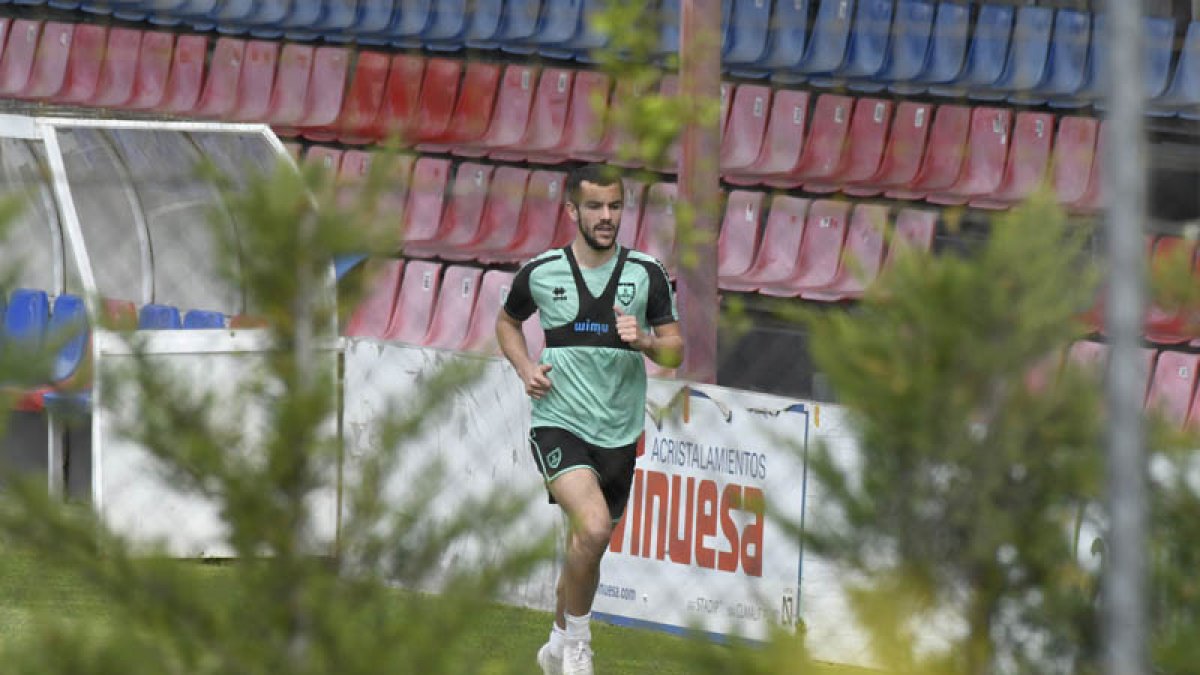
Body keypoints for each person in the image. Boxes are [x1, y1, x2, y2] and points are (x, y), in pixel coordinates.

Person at [495, 164, 684, 675]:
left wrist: (645, 340)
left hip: (620, 432)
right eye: (595, 207)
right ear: (572, 211)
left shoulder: (646, 274)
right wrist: (524, 367)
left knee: (587, 549)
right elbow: (508, 323)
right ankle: (578, 648)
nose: (606, 217)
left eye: (615, 206)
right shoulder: (541, 271)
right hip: (558, 420)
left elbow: (675, 352)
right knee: (595, 528)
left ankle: (556, 645)